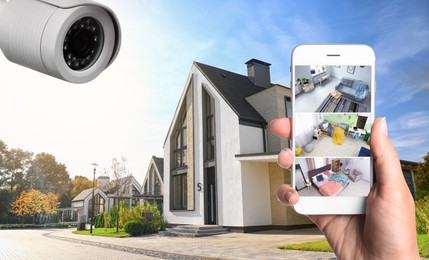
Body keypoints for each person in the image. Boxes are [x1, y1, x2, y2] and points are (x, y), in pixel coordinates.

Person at [270, 117, 420, 259]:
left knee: (337, 175)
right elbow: (327, 175)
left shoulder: (332, 170)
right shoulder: (316, 177)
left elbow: (334, 172)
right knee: (330, 178)